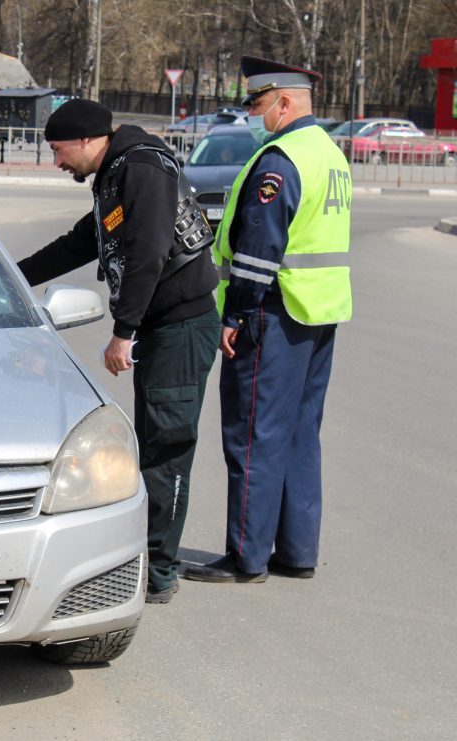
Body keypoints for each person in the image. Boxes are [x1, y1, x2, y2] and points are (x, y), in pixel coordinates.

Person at [17, 99, 220, 604]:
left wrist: (123, 332)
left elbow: (150, 252)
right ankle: (150, 558)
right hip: (163, 325)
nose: (57, 161)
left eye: (59, 150)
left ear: (86, 140)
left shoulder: (141, 168)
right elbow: (78, 244)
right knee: (153, 440)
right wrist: (10, 277)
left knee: (166, 447)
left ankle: (159, 571)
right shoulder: (115, 171)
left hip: (179, 325)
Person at [182, 56, 352, 585]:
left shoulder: (280, 160)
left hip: (273, 312)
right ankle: (297, 552)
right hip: (318, 311)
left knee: (253, 434)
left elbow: (259, 249)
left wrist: (237, 314)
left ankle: (246, 557)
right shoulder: (329, 154)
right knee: (301, 431)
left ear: (284, 101)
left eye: (258, 105)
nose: (255, 116)